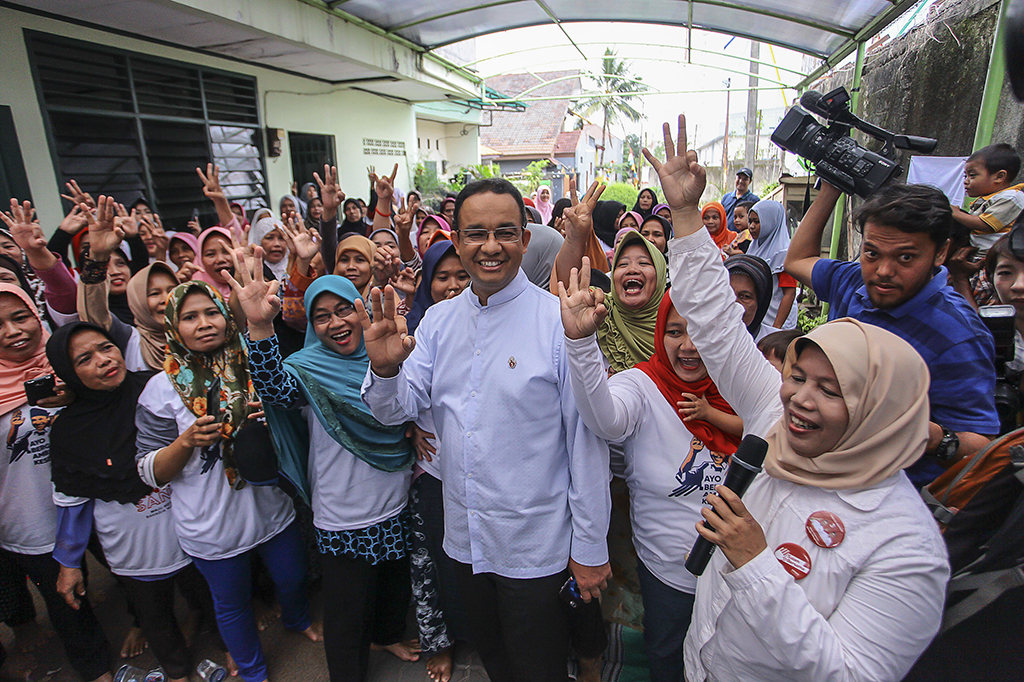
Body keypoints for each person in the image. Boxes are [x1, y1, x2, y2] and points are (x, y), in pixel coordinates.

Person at [643, 114, 950, 682]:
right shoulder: (773, 414)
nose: (801, 401)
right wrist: (685, 215)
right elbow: (715, 323)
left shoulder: (906, 549)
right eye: (797, 376)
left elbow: (853, 674)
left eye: (831, 390)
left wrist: (755, 563)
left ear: (881, 414)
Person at [360, 177, 612, 682]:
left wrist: (588, 550)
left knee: (537, 668)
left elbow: (586, 445)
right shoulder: (436, 322)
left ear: (525, 237)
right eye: (476, 233)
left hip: (536, 547)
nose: (490, 246)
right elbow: (398, 410)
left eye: (505, 232)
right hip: (465, 539)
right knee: (494, 660)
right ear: (456, 240)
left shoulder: (557, 322)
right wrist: (386, 371)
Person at [232, 261, 415, 682]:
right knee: (347, 612)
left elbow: (420, 399)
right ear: (312, 325)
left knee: (392, 585)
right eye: (322, 315)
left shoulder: (388, 348)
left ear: (360, 309)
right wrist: (260, 328)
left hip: (396, 496)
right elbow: (274, 387)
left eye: (344, 309)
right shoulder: (306, 367)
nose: (336, 322)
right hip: (343, 513)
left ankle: (386, 635)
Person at [559, 265, 741, 682]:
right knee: (667, 655)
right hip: (669, 573)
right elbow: (604, 419)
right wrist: (581, 343)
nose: (690, 346)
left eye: (702, 331)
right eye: (675, 331)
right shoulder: (643, 385)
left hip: (739, 572)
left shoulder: (742, 386)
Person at [135, 280, 320, 682]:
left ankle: (297, 619)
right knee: (232, 603)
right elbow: (148, 470)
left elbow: (300, 420)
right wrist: (185, 443)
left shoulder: (256, 365)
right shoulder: (160, 391)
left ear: (226, 316)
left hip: (272, 510)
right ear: (172, 326)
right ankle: (253, 670)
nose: (204, 323)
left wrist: (272, 419)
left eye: (211, 312)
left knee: (292, 576)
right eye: (189, 317)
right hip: (212, 527)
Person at [784, 180, 999, 485]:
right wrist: (831, 187)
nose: (883, 270)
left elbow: (982, 446)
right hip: (819, 477)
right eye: (871, 253)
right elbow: (796, 260)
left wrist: (932, 436)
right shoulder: (852, 280)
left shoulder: (959, 336)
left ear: (940, 253)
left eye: (905, 257)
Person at [47, 321, 223, 682]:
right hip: (133, 542)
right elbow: (73, 501)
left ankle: (228, 646)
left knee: (208, 592)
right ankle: (176, 671)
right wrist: (68, 563)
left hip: (188, 524)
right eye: (84, 358)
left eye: (106, 347)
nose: (103, 360)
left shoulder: (156, 386)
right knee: (153, 614)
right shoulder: (68, 429)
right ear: (69, 373)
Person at [0, 284, 112, 682]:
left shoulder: (68, 364)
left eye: (20, 316)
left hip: (98, 502)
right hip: (33, 519)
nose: (13, 330)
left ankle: (140, 622)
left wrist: (76, 396)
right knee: (67, 602)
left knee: (129, 572)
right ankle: (95, 667)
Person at [949, 143, 1024, 307]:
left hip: (992, 258)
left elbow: (985, 225)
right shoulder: (987, 200)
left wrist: (955, 213)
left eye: (972, 175)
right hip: (978, 257)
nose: (966, 182)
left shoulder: (1012, 198)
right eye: (965, 176)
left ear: (999, 177)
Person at [746, 200, 798, 330]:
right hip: (760, 318)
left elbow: (789, 293)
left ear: (771, 222)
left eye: (757, 222)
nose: (751, 226)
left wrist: (776, 327)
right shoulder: (754, 248)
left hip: (776, 320)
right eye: (750, 221)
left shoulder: (783, 254)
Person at [724, 253, 775, 341]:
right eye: (728, 294)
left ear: (760, 303)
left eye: (745, 296)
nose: (734, 303)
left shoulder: (774, 347)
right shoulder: (697, 341)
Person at [720, 167, 759, 232]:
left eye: (745, 179)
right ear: (735, 179)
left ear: (750, 182)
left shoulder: (754, 200)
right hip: (726, 237)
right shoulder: (726, 197)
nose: (741, 181)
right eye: (739, 178)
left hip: (745, 238)